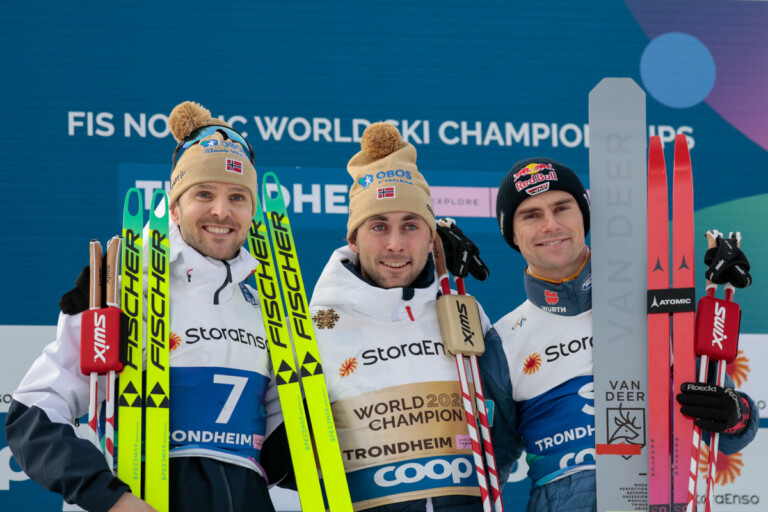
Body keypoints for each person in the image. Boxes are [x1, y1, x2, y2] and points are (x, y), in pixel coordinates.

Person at [5, 101, 287, 512]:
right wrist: (112, 498)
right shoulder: (122, 290)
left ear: (252, 210)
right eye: (204, 194)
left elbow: (281, 449)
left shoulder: (266, 307)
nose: (221, 211)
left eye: (237, 197)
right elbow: (33, 412)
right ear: (174, 206)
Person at [479, 156, 759, 512]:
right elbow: (490, 467)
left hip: (658, 497)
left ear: (584, 216)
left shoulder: (659, 303)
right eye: (531, 215)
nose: (551, 225)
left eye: (562, 208)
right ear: (512, 235)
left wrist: (735, 414)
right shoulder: (504, 342)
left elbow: (728, 428)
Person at [306, 122, 517, 511]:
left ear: (431, 236)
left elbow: (503, 425)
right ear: (353, 238)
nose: (395, 244)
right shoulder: (317, 328)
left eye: (411, 226)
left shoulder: (464, 313)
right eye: (379, 226)